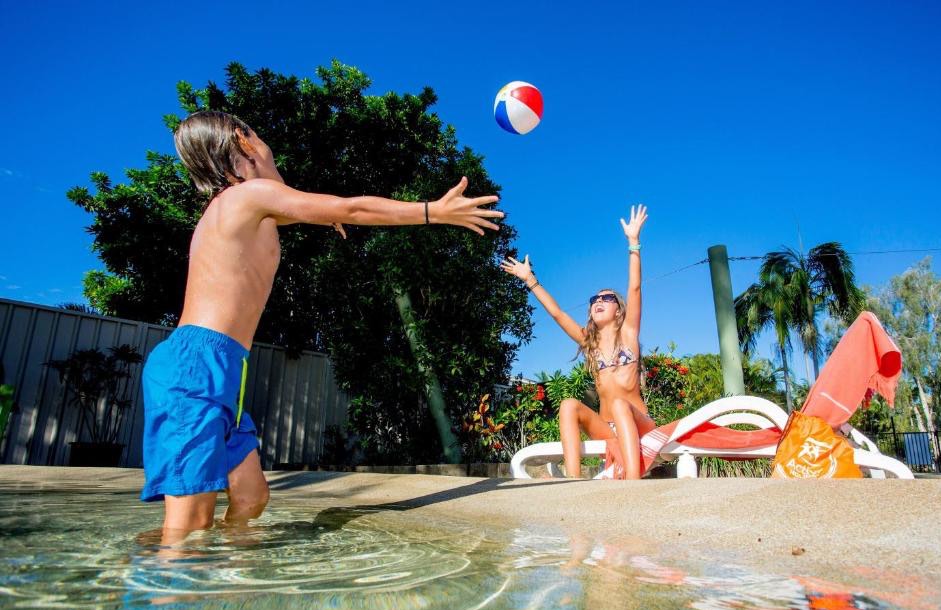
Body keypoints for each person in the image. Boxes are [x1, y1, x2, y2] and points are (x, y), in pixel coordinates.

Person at [143, 110, 503, 541]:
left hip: (226, 369)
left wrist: (320, 213)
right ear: (244, 140)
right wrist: (433, 211)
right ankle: (166, 587)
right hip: (196, 366)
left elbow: (307, 211)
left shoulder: (246, 208)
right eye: (258, 131)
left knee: (251, 499)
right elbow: (351, 207)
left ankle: (222, 575)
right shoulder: (248, 196)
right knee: (189, 523)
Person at [501, 205, 653, 479]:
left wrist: (633, 242)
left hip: (638, 422)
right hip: (606, 425)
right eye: (595, 299)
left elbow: (635, 287)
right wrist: (530, 280)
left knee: (620, 404)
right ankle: (574, 482)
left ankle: (633, 483)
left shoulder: (629, 332)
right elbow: (558, 314)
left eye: (606, 299)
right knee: (568, 404)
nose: (599, 302)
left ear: (619, 309)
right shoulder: (589, 342)